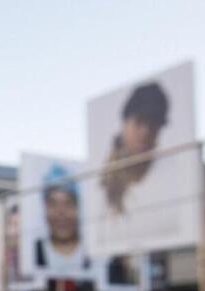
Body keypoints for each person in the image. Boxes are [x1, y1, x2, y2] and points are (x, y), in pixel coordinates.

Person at [99, 82, 169, 215]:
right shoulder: (101, 186)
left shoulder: (167, 178)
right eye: (140, 122)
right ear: (125, 123)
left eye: (153, 125)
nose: (146, 132)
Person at [34, 164, 91, 276]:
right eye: (53, 204)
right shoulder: (35, 252)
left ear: (78, 207)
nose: (61, 213)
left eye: (68, 203)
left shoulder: (92, 253)